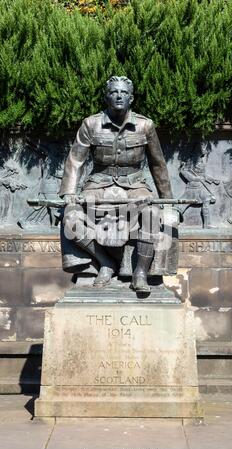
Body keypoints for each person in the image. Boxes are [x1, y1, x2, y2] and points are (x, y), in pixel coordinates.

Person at [59, 76, 173, 292]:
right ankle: (105, 262)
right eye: (113, 92)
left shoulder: (145, 125)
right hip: (98, 185)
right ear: (106, 96)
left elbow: (158, 163)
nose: (118, 96)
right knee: (70, 217)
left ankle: (140, 273)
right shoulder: (90, 124)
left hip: (135, 185)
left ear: (131, 98)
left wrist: (166, 198)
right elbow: (76, 159)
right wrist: (69, 193)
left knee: (151, 215)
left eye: (123, 93)